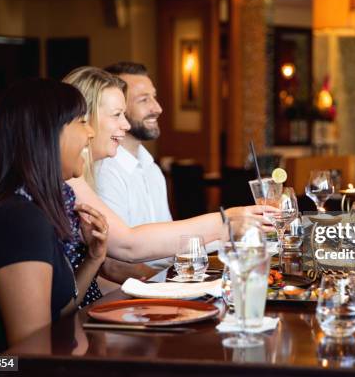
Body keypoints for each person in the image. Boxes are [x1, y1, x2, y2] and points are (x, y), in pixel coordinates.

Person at [0, 79, 108, 355]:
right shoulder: (20, 220)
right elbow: (30, 356)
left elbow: (58, 309)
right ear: (48, 134)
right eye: (81, 121)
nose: (91, 132)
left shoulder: (30, 206)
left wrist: (93, 258)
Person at [62, 67, 272, 267]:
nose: (125, 126)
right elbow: (128, 246)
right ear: (84, 119)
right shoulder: (70, 176)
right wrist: (227, 220)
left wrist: (228, 228)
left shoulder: (84, 173)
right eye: (117, 114)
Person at [96, 62, 171, 280]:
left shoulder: (152, 169)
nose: (157, 108)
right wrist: (168, 288)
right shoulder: (105, 172)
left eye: (154, 97)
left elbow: (167, 247)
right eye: (143, 99)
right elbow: (114, 265)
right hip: (130, 302)